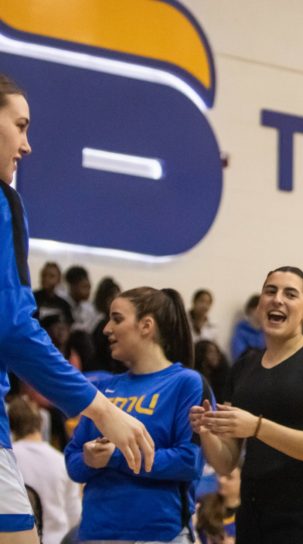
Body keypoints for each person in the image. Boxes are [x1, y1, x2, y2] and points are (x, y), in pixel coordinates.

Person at [0, 72, 153, 544]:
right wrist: (102, 410)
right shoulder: (5, 202)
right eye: (21, 126)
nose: (26, 145)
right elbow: (13, 328)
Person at [190, 266, 303, 543]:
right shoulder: (243, 367)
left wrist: (257, 427)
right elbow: (225, 463)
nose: (277, 299)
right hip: (254, 517)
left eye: (290, 294)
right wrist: (207, 430)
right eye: (270, 291)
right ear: (259, 307)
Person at [64, 287, 211, 542]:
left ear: (146, 326)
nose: (106, 329)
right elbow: (73, 461)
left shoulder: (186, 383)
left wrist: (116, 457)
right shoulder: (103, 388)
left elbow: (189, 461)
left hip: (159, 535)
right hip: (95, 533)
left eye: (117, 319)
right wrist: (90, 459)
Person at [8, 398, 81, 544]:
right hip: (58, 539)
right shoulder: (61, 461)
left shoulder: (8, 461)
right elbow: (75, 515)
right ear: (41, 423)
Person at [229, 294, 264, 361]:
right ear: (250, 310)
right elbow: (239, 355)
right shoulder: (241, 330)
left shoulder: (267, 331)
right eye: (260, 307)